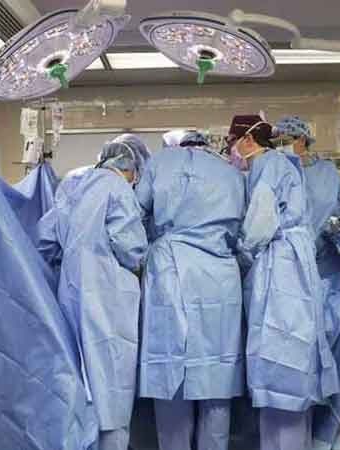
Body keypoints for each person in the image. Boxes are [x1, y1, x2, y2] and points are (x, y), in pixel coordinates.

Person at [231, 115, 338, 450]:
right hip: (294, 263)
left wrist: (240, 256)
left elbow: (259, 223)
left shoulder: (268, 166)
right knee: (290, 360)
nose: (233, 150)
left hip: (282, 266)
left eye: (233, 142)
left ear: (248, 140)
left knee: (280, 353)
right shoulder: (281, 164)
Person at [135, 131, 245, 450]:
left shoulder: (159, 163)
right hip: (220, 275)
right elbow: (243, 229)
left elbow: (134, 214)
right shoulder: (230, 172)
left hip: (169, 271)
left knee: (171, 377)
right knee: (217, 380)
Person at [37, 141, 148, 450]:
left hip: (71, 294)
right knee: (112, 378)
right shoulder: (119, 188)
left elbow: (45, 239)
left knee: (82, 378)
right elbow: (131, 248)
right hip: (109, 296)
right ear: (131, 169)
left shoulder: (74, 187)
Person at [274, 116, 340, 448]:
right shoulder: (274, 170)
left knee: (333, 358)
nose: (282, 145)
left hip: (327, 273)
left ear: (303, 140)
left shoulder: (327, 173)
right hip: (287, 274)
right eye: (278, 140)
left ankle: (325, 432)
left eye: (287, 139)